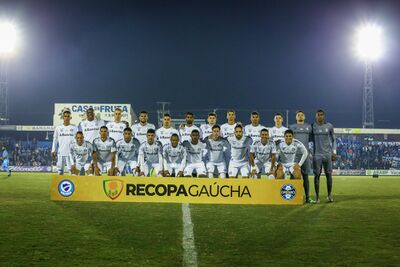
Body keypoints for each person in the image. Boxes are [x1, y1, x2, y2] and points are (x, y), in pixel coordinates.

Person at [311, 109, 337, 203]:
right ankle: (317, 197)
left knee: (328, 175)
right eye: (318, 115)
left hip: (327, 154)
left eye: (322, 115)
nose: (320, 116)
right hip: (317, 155)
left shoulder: (329, 126)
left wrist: (334, 152)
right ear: (316, 116)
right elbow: (308, 139)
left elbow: (334, 140)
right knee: (316, 175)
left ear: (324, 116)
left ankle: (329, 195)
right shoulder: (312, 126)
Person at [289, 110, 314, 203]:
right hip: (294, 156)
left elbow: (311, 139)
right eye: (298, 115)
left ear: (304, 117)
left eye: (302, 115)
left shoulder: (308, 127)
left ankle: (307, 198)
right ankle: (291, 197)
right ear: (296, 117)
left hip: (305, 155)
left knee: (306, 176)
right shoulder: (291, 127)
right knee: (293, 175)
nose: (300, 116)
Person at [52, 109, 78, 174]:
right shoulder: (58, 128)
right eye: (65, 116)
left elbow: (78, 140)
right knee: (60, 171)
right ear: (63, 117)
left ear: (70, 117)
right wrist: (53, 150)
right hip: (61, 152)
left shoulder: (75, 128)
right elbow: (55, 140)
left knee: (71, 171)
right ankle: (59, 184)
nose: (66, 118)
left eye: (68, 116)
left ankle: (72, 184)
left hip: (71, 153)